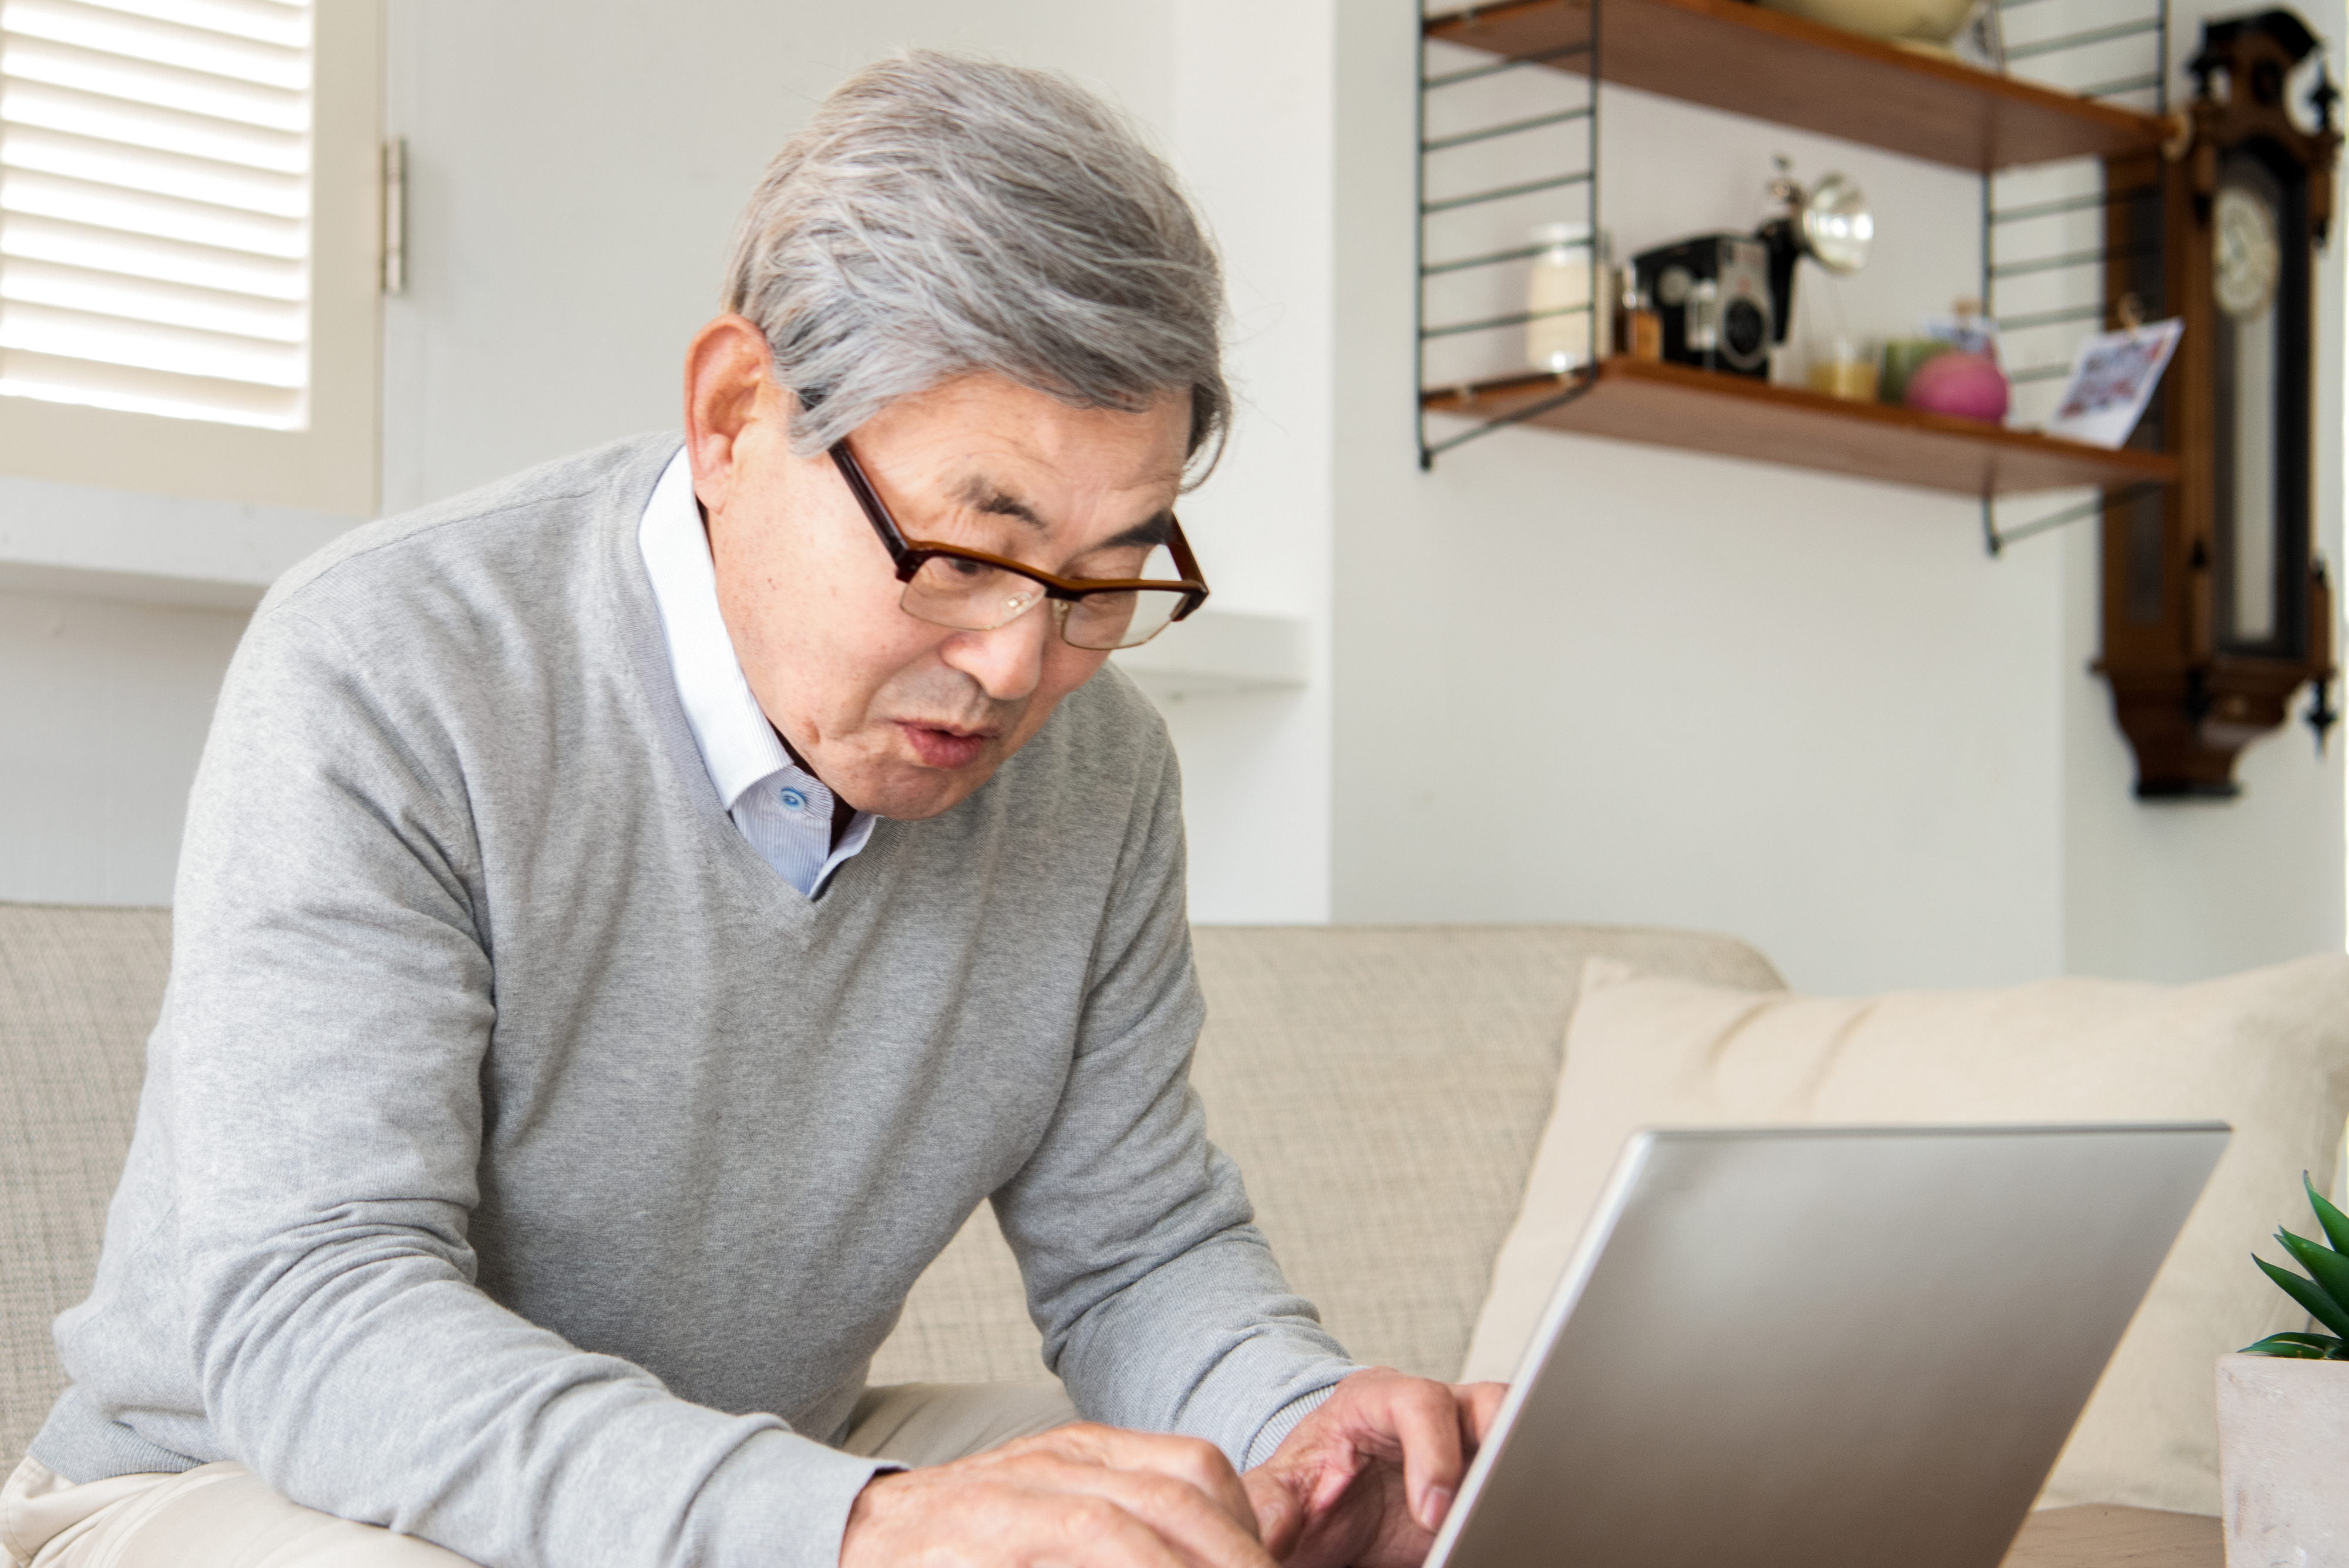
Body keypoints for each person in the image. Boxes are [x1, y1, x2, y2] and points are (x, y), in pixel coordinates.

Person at [1, 52, 1503, 1568]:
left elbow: (1140, 1256)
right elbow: (318, 1319)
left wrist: (1304, 1436)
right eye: (967, 552)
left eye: (1103, 581)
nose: (1016, 664)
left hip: (752, 1462)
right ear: (733, 418)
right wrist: (848, 1526)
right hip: (237, 1484)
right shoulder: (391, 670)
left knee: (1176, 1520)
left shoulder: (1097, 779)